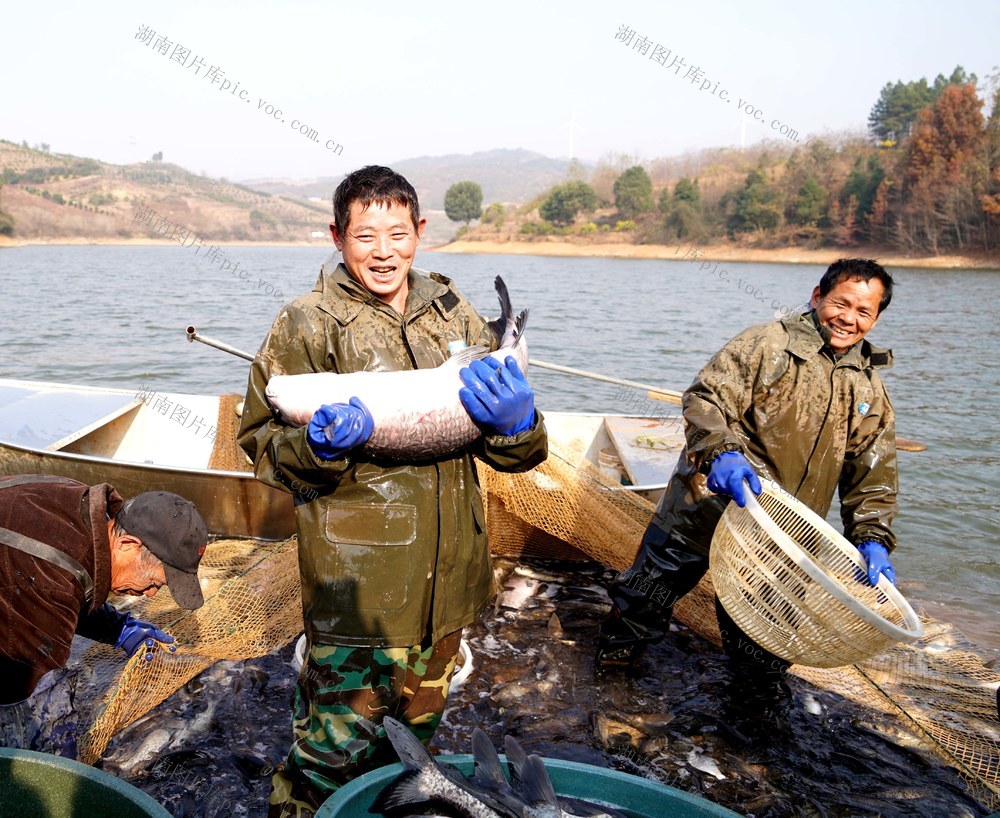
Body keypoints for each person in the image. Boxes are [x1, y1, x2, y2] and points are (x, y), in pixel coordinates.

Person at [238, 165, 547, 817]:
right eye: (365, 236)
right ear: (337, 236)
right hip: (360, 596)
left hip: (449, 592)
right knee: (327, 762)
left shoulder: (451, 310)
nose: (384, 252)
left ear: (420, 231)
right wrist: (317, 449)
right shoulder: (305, 323)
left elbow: (517, 455)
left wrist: (520, 425)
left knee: (413, 757)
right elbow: (261, 443)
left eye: (398, 234)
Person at [598, 258, 899, 694]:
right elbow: (705, 399)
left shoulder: (869, 387)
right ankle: (609, 678)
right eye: (841, 303)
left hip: (781, 538)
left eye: (863, 311)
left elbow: (872, 472)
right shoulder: (766, 344)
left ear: (875, 319)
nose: (848, 319)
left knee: (764, 650)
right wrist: (720, 451)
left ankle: (748, 714)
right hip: (704, 507)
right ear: (818, 297)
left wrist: (872, 536)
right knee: (643, 600)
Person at [0, 474, 208, 751]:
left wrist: (118, 628)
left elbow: (67, 581)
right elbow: (35, 702)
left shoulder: (79, 505)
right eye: (154, 582)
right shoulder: (51, 578)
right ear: (128, 545)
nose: (150, 594)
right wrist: (63, 762)